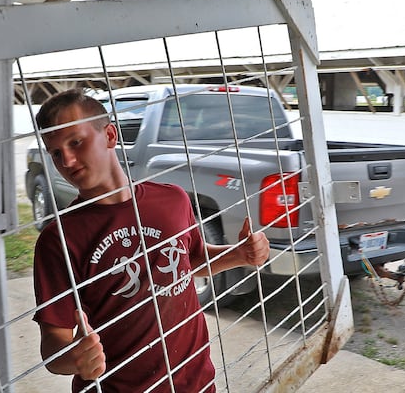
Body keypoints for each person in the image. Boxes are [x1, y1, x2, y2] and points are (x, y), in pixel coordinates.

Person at [32, 88, 270, 392]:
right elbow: (53, 344)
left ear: (109, 136)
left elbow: (191, 259)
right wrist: (75, 358)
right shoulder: (60, 239)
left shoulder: (171, 199)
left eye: (75, 142)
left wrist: (240, 254)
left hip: (195, 382)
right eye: (55, 152)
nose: (66, 159)